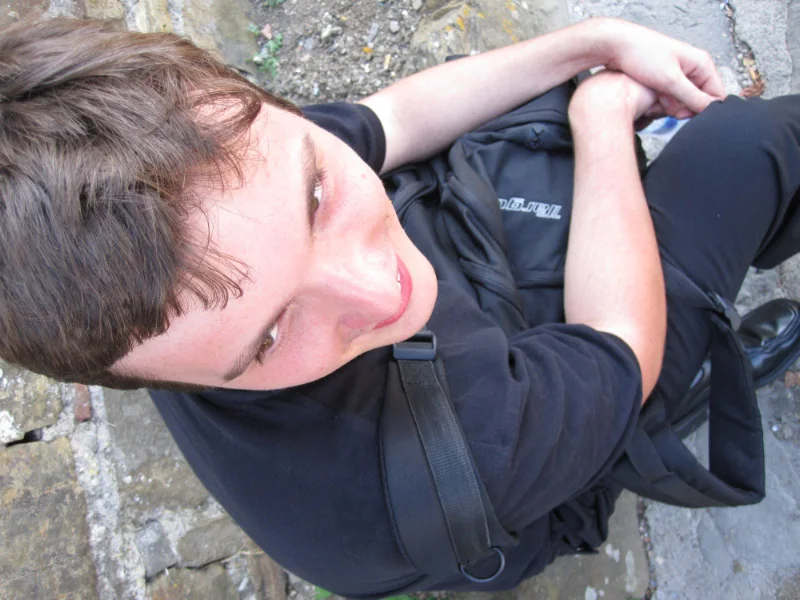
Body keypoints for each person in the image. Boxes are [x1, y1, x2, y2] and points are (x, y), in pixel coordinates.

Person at [1, 15, 798, 597]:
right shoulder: (456, 452)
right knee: (747, 147)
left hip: (486, 382)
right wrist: (600, 114)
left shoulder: (208, 199)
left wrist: (594, 42)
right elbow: (618, 345)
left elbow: (392, 120)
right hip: (525, 457)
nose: (388, 295)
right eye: (269, 337)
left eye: (316, 196)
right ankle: (686, 387)